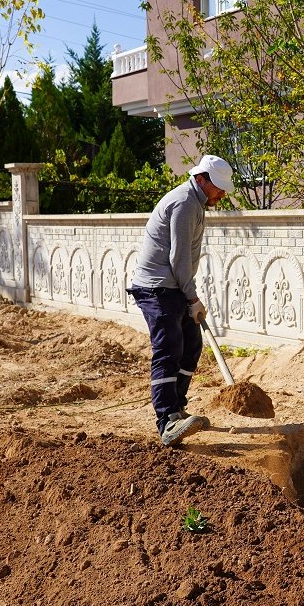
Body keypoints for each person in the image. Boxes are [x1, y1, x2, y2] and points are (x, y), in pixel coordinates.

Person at [128, 154, 235, 446]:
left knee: (191, 345)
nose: (222, 193)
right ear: (201, 179)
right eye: (219, 187)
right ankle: (167, 422)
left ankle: (177, 407)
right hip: (156, 288)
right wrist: (193, 297)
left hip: (173, 286)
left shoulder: (198, 201)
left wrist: (189, 295)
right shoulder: (185, 202)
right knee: (169, 348)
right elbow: (178, 258)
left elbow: (184, 258)